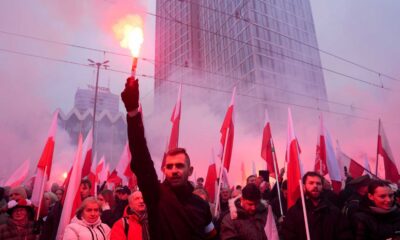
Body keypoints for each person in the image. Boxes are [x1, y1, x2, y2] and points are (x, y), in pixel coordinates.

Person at [121, 77, 216, 240]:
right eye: (169, 167)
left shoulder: (201, 205)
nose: (174, 171)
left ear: (190, 170)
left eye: (179, 166)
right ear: (163, 170)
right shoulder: (155, 194)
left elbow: (212, 236)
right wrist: (133, 113)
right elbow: (140, 156)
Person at [281, 171, 352, 240]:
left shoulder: (333, 211)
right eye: (311, 183)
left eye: (318, 184)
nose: (315, 186)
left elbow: (344, 234)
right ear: (304, 186)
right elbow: (287, 235)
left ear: (322, 187)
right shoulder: (294, 212)